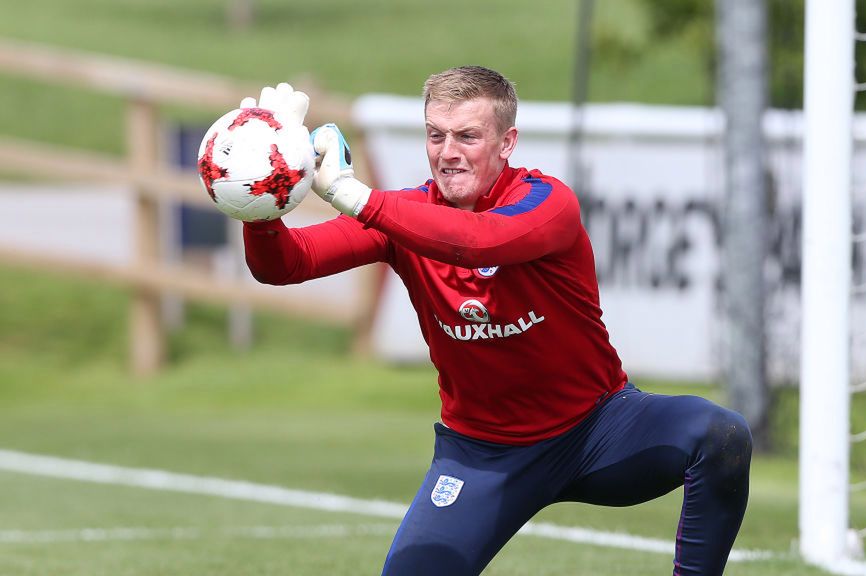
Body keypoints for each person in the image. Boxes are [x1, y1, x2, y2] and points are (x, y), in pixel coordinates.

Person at [240, 67, 752, 576]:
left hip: (597, 429)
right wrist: (262, 189)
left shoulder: (548, 202)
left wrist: (357, 198)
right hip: (481, 454)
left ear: (507, 142)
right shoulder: (401, 215)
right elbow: (285, 265)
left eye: (467, 136)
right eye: (436, 135)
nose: (448, 152)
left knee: (720, 434)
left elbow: (480, 241)